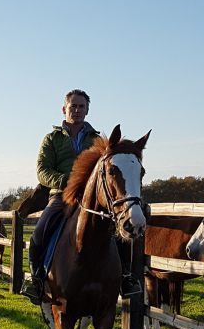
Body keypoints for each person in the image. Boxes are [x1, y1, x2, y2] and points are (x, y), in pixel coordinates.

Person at [19, 89, 140, 305]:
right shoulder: (52, 139)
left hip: (93, 197)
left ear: (87, 110)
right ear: (64, 109)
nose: (76, 110)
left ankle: (125, 278)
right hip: (62, 196)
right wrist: (67, 181)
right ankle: (36, 279)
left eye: (81, 106)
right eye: (73, 106)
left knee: (119, 232)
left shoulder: (97, 140)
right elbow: (42, 170)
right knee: (39, 233)